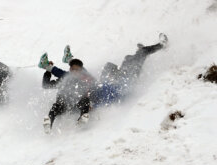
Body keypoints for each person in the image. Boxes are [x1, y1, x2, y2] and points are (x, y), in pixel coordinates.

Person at [38, 33, 168, 134]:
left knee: (133, 59)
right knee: (131, 59)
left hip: (117, 90)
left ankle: (151, 48)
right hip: (103, 94)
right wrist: (49, 70)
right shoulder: (103, 83)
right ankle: (154, 47)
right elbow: (68, 78)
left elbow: (84, 77)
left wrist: (51, 68)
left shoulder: (117, 83)